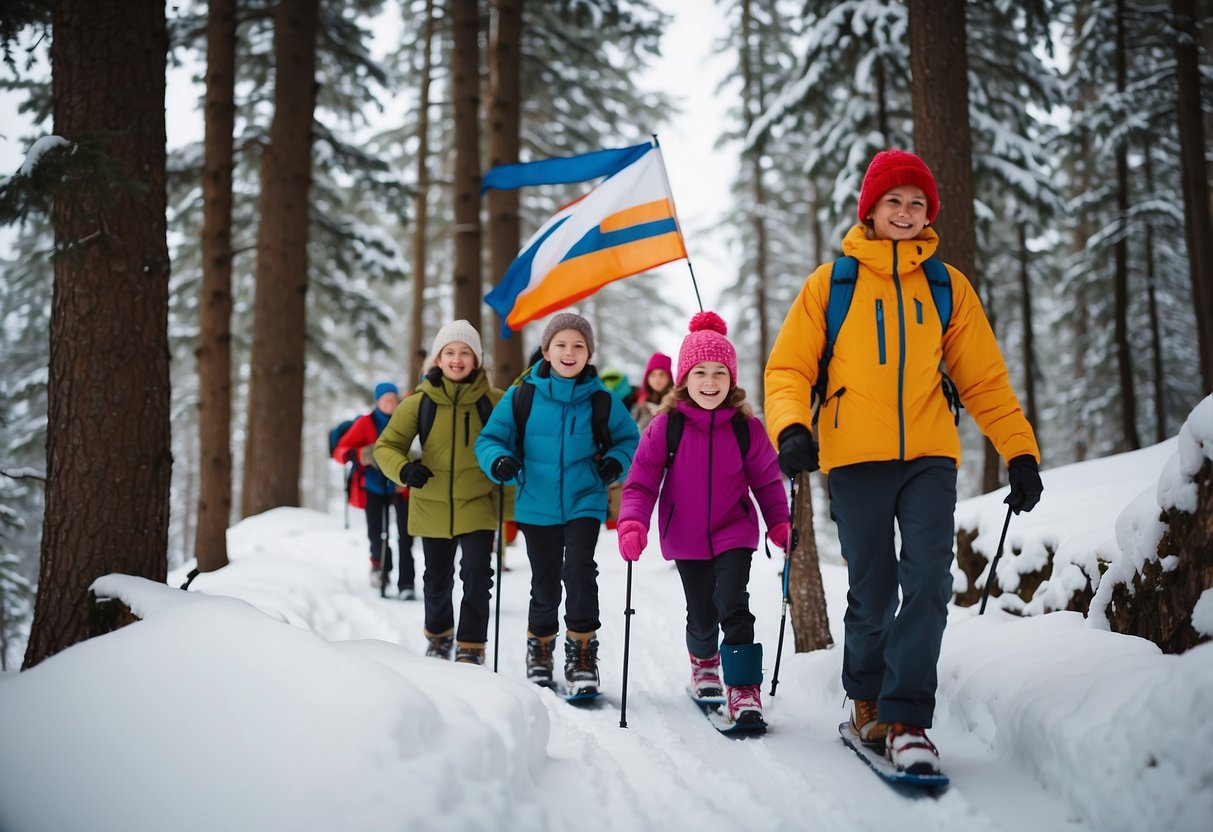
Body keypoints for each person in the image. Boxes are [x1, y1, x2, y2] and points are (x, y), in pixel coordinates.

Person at [764, 148, 1044, 775]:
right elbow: (788, 369)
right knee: (872, 587)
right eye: (895, 200)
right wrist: (790, 430)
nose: (907, 211)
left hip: (928, 457)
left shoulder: (946, 287)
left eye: (918, 203)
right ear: (870, 209)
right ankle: (867, 697)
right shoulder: (831, 284)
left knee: (929, 581)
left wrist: (1019, 451)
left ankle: (909, 717)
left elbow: (985, 381)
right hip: (854, 459)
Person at [616, 312, 789, 727]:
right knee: (701, 612)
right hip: (686, 534)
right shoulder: (665, 427)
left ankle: (744, 689)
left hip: (735, 531)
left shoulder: (747, 428)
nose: (710, 382)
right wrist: (633, 523)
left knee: (733, 603)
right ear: (683, 379)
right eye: (700, 372)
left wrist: (780, 523)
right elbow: (640, 484)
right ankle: (705, 664)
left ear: (732, 379)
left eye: (718, 373)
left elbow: (767, 481)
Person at [476, 312, 640, 696]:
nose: (570, 352)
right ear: (546, 352)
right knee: (545, 583)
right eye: (561, 345)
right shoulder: (524, 395)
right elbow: (489, 439)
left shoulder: (601, 399)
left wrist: (616, 462)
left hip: (585, 498)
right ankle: (540, 649)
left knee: (580, 571)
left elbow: (629, 440)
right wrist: (500, 462)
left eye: (578, 345)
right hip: (536, 501)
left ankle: (582, 654)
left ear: (589, 353)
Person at [374, 320, 507, 665]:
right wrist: (404, 469)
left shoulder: (494, 402)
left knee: (478, 575)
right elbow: (386, 446)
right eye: (450, 352)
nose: (457, 359)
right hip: (430, 504)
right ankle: (439, 636)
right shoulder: (419, 403)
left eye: (465, 353)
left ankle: (471, 645)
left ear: (476, 360)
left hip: (478, 501)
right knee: (436, 580)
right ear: (438, 359)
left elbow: (516, 443)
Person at [332, 382, 415, 597]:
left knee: (406, 536)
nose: (390, 403)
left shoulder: (405, 419)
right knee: (376, 534)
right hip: (373, 486)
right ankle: (381, 571)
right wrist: (358, 454)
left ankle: (407, 583)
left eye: (393, 399)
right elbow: (341, 450)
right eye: (386, 399)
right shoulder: (365, 423)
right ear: (377, 401)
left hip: (401, 486)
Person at [630, 351, 674, 432]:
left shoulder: (677, 405)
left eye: (662, 374)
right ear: (647, 378)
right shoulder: (639, 406)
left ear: (669, 377)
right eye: (653, 375)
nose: (657, 380)